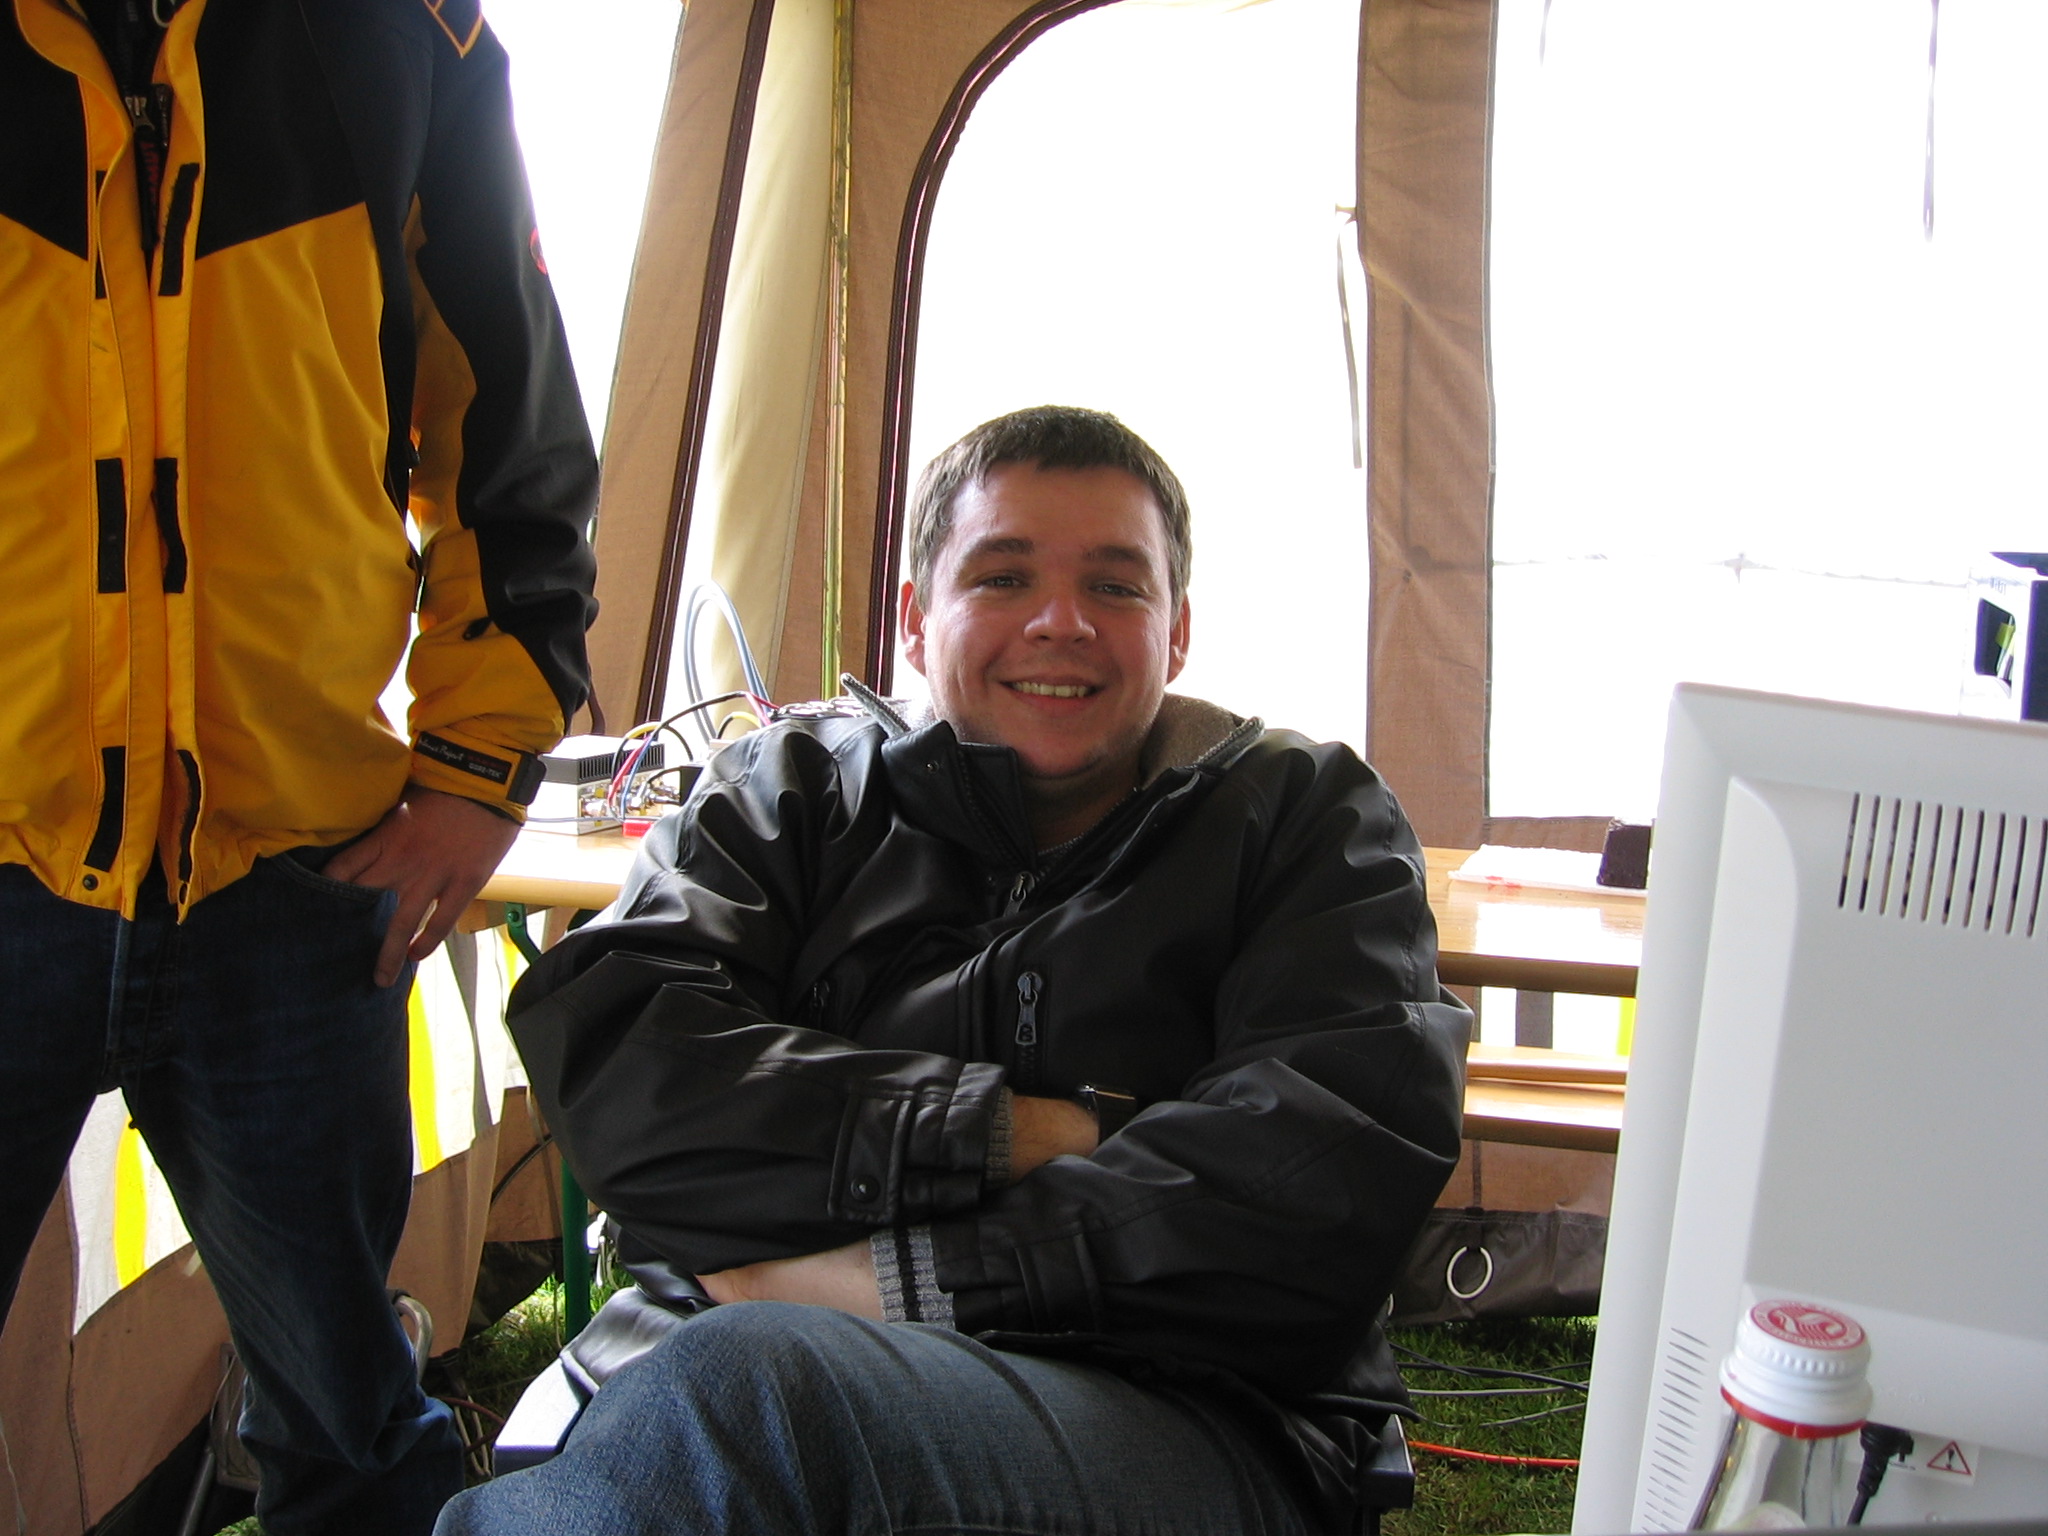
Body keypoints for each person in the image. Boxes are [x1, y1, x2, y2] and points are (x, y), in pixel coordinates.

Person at [442, 406, 1467, 1535]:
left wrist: (891, 1287)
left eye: (1116, 586)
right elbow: (625, 1070)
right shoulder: (786, 798)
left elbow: (1315, 1183)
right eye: (1002, 577)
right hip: (732, 1359)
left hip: (1190, 1415)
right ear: (914, 620)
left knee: (752, 1396)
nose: (1061, 621)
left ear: (1176, 634)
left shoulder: (1306, 821)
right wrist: (1021, 1133)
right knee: (738, 1402)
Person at [0, 0, 597, 1529]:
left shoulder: (404, 35)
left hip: (293, 875)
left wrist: (477, 769)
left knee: (345, 1409)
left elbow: (511, 419)